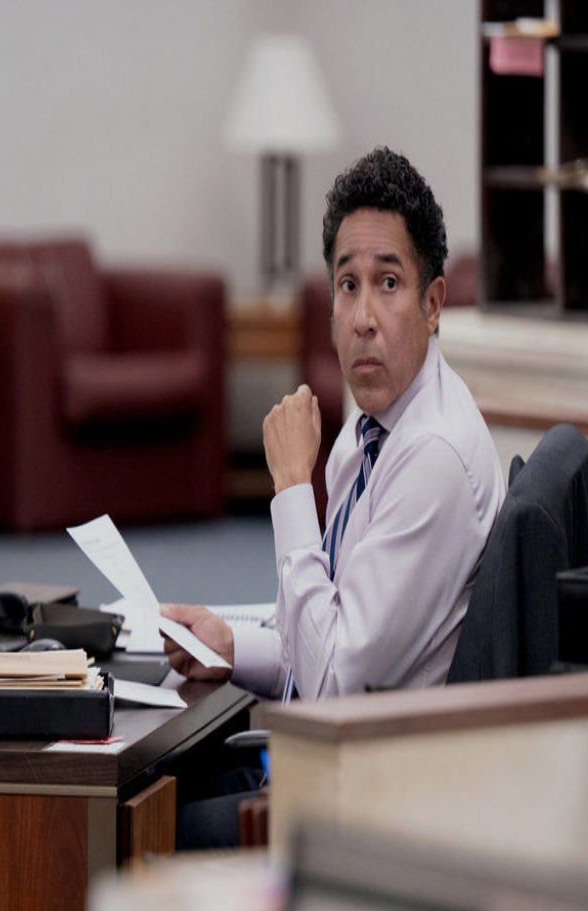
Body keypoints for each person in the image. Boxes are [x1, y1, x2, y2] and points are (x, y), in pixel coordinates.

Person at [163, 146, 505, 700]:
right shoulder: (372, 425)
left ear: (433, 304)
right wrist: (231, 647)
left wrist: (292, 485)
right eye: (348, 285)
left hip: (374, 753)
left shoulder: (433, 456)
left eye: (388, 283)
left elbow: (330, 686)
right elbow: (323, 640)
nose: (363, 319)